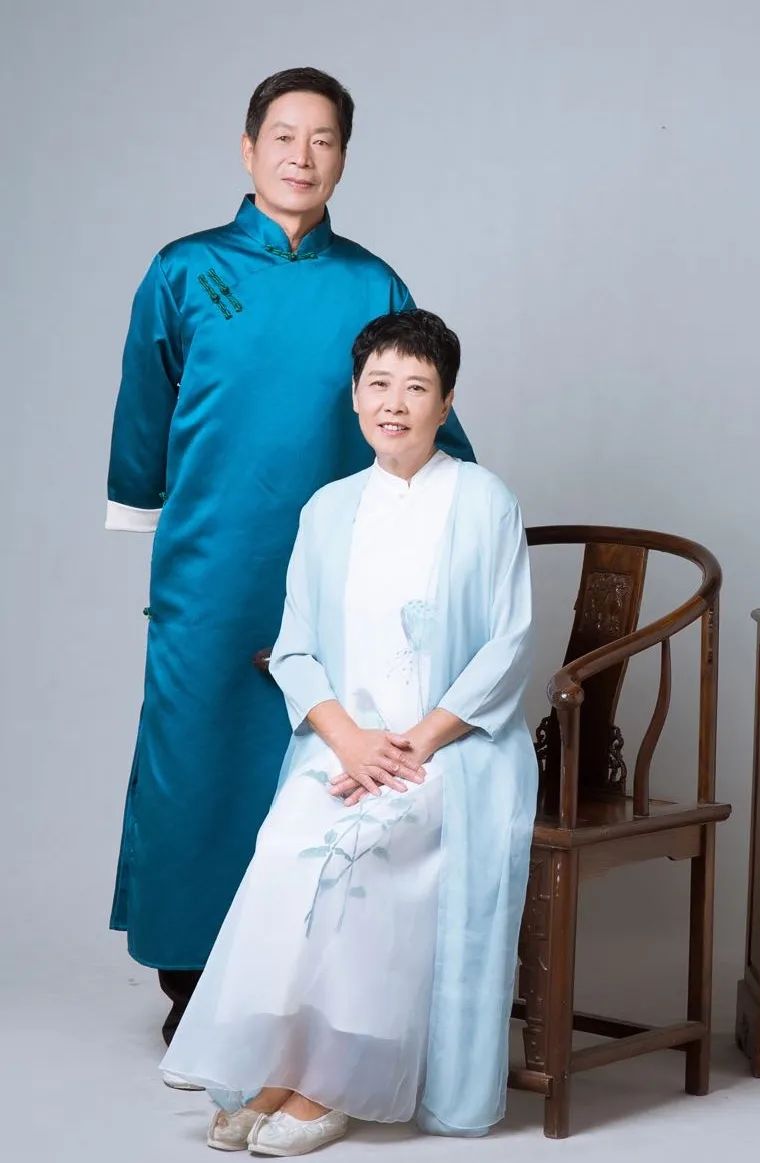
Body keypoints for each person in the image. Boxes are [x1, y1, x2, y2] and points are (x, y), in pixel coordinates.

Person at [105, 67, 475, 1062]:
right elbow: (145, 408)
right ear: (248, 147)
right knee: (197, 758)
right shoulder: (185, 271)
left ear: (343, 157)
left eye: (323, 140)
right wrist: (148, 515)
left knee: (320, 760)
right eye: (283, 136)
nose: (301, 157)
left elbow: (420, 412)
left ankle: (306, 978)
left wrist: (466, 516)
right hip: (211, 562)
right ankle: (191, 975)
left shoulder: (372, 284)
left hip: (340, 566)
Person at [161, 309, 535, 1155]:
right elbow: (294, 649)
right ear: (355, 397)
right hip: (342, 748)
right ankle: (281, 1067)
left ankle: (328, 1080)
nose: (394, 403)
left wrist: (414, 743)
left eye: (417, 387)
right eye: (379, 384)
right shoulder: (327, 510)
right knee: (287, 844)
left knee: (367, 847)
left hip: (453, 751)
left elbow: (509, 644)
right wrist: (350, 741)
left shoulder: (484, 501)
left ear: (446, 403)